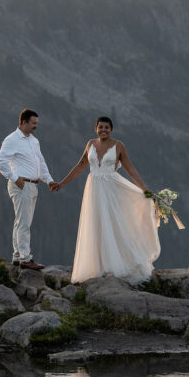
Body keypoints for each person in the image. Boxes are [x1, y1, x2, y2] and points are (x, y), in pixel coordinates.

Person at [52, 116, 160, 284]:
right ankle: (98, 266)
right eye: (100, 127)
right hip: (94, 189)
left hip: (112, 189)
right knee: (95, 225)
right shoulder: (90, 144)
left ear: (111, 129)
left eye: (107, 127)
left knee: (113, 223)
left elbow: (130, 169)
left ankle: (117, 265)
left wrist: (144, 189)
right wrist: (62, 183)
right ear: (96, 128)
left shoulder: (119, 146)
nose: (103, 130)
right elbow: (81, 165)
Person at [0, 109, 58, 270]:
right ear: (23, 122)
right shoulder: (12, 139)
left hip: (33, 184)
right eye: (33, 123)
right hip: (21, 184)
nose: (36, 126)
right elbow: (1, 162)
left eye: (36, 123)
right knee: (24, 223)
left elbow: (40, 162)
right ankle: (25, 258)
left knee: (21, 221)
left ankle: (17, 256)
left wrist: (49, 180)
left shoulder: (34, 141)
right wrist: (15, 178)